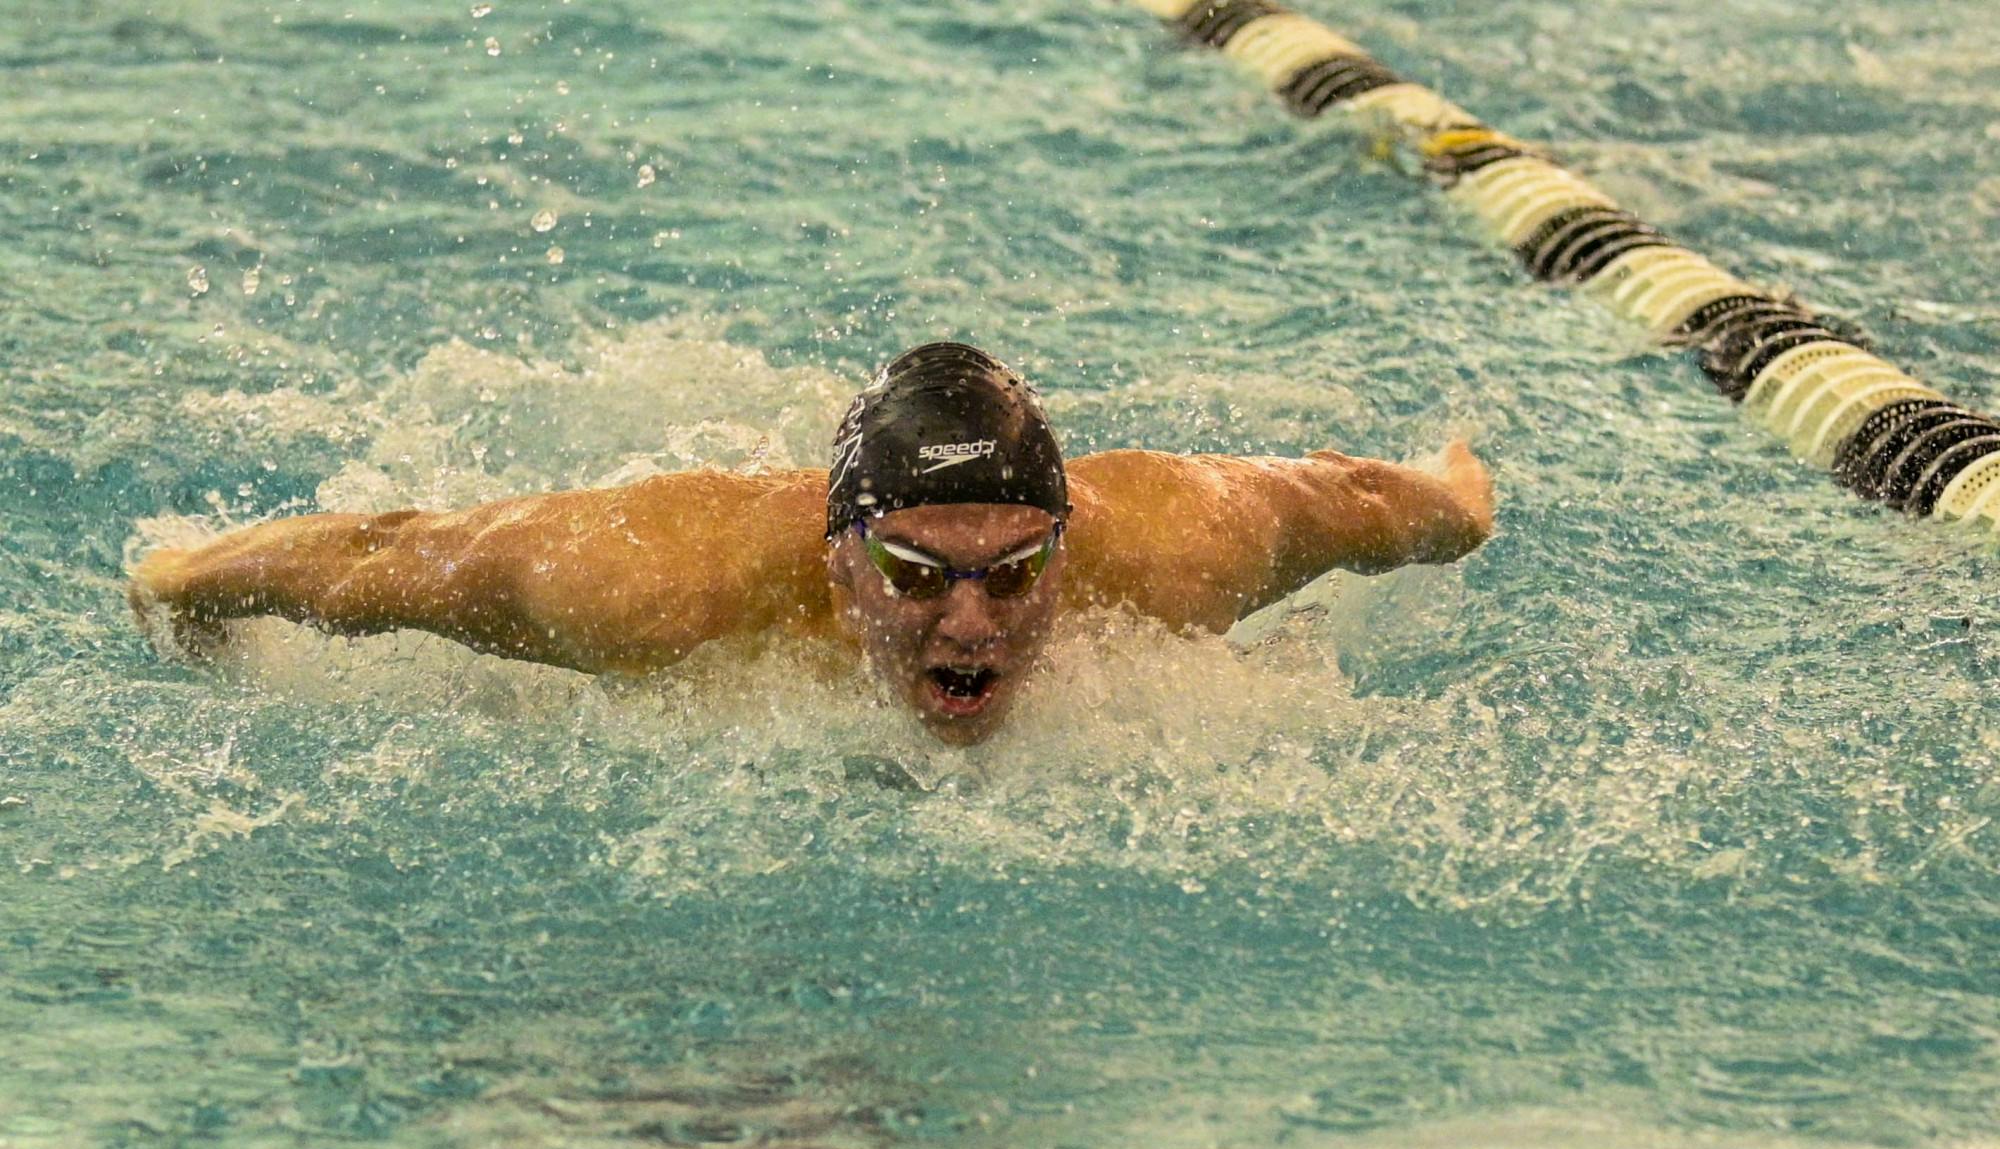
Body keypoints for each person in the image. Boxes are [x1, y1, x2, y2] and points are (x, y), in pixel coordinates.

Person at [129, 342, 1494, 744]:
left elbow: (1363, 504)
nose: (972, 621)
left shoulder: (1178, 549)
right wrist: (186, 580)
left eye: (1015, 569)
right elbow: (383, 552)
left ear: (1068, 549)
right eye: (915, 572)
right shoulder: (647, 582)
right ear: (840, 554)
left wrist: (1462, 498)